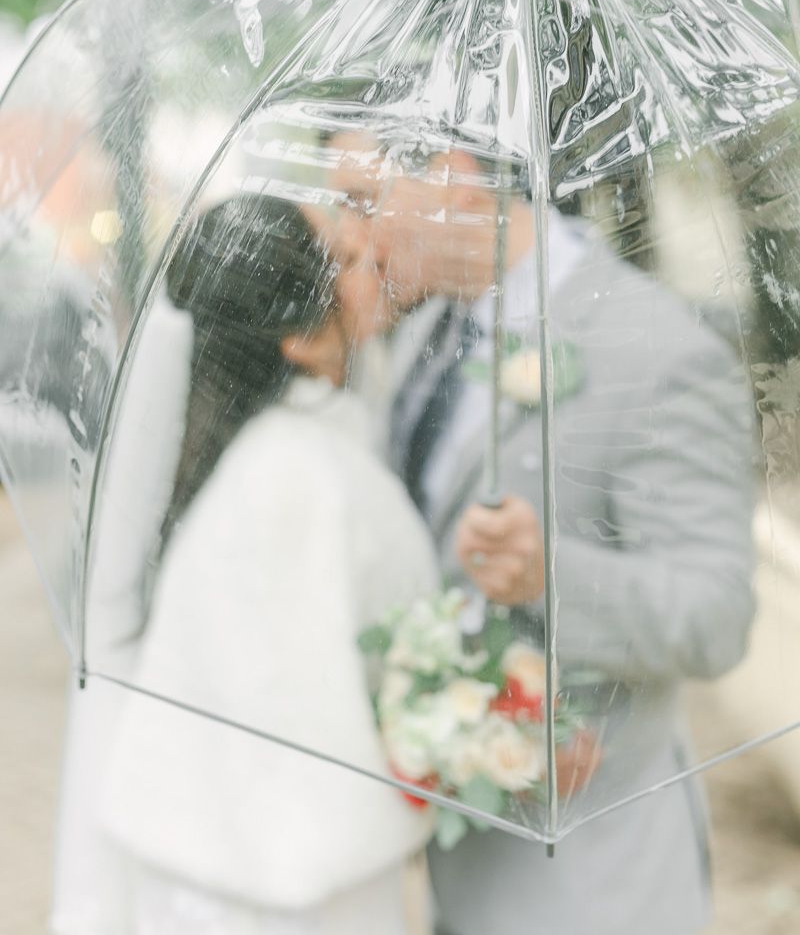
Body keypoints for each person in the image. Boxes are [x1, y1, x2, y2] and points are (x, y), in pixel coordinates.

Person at [331, 133, 756, 935]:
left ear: (455, 181)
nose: (351, 232)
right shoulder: (427, 333)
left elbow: (716, 616)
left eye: (360, 197)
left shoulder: (660, 354)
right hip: (464, 857)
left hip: (591, 880)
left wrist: (547, 576)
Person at [102, 193, 438, 935]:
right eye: (345, 262)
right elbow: (417, 640)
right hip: (303, 891)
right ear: (300, 339)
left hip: (197, 868)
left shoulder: (244, 462)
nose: (369, 261)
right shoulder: (316, 479)